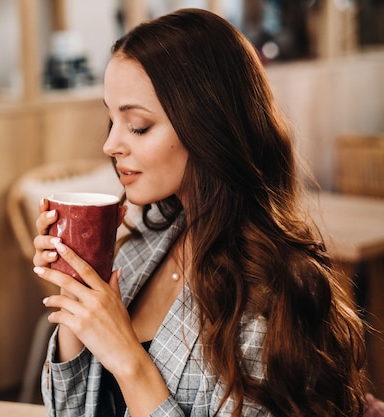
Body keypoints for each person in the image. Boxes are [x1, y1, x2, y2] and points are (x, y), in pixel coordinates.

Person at [31, 8, 369, 417]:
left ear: (207, 128)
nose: (111, 145)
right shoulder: (144, 247)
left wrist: (129, 361)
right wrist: (78, 295)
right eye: (111, 119)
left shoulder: (274, 293)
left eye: (137, 125)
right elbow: (68, 412)